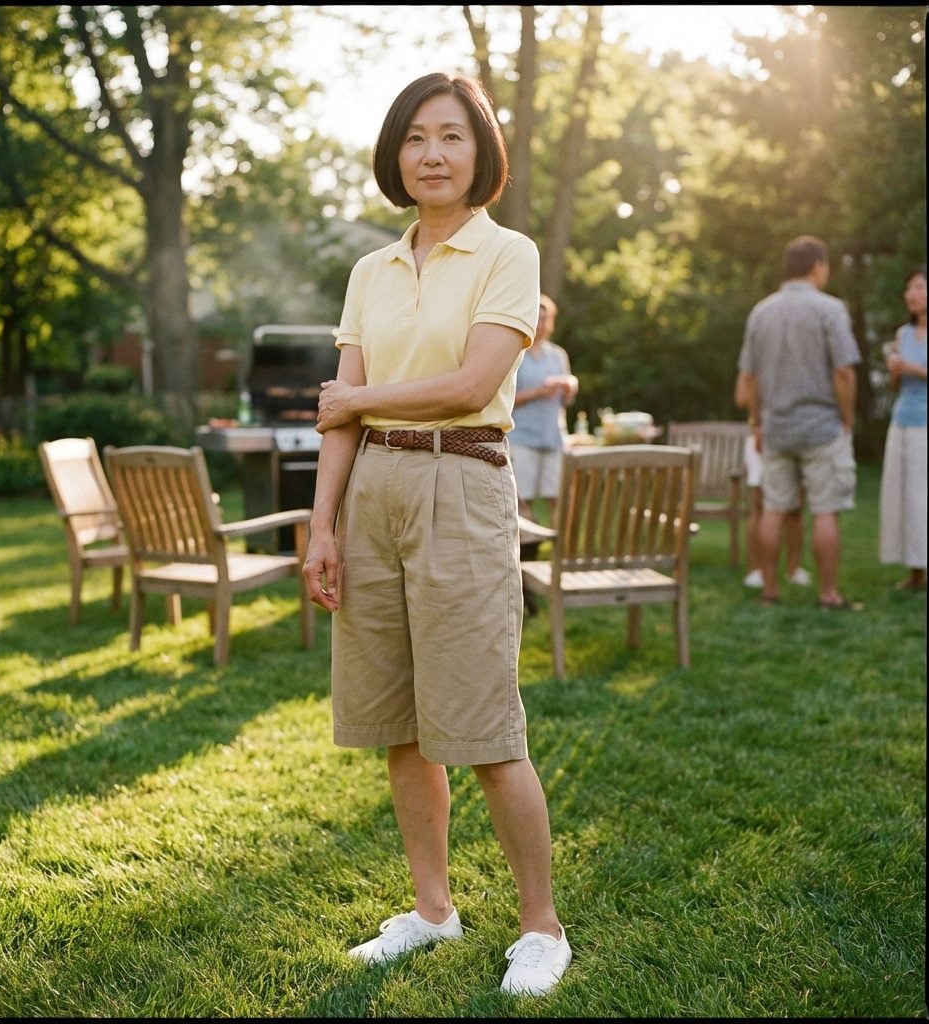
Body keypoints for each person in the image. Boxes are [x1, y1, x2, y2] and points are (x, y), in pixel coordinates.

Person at [301, 73, 571, 997]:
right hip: (371, 488)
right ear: (396, 154)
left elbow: (469, 383)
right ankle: (432, 910)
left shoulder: (508, 253)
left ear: (480, 150)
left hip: (463, 479)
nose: (433, 154)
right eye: (416, 137)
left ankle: (541, 928)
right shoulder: (370, 271)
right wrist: (322, 526)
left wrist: (358, 398)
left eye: (452, 135)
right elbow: (341, 419)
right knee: (400, 726)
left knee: (486, 729)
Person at [736, 235, 863, 609]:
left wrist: (757, 423)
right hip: (822, 427)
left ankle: (770, 590)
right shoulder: (830, 309)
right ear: (817, 267)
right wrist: (847, 418)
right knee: (825, 510)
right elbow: (843, 372)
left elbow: (749, 378)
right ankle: (828, 594)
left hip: (776, 428)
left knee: (773, 509)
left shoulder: (761, 312)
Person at [733, 373, 811, 590]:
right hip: (763, 436)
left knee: (796, 508)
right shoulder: (757, 360)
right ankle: (756, 570)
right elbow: (741, 397)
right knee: (760, 506)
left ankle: (793, 569)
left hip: (799, 437)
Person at [510, 294, 579, 523]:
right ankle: (527, 544)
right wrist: (538, 392)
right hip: (522, 438)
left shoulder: (557, 355)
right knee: (523, 501)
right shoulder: (515, 354)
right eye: (536, 318)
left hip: (553, 437)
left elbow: (566, 402)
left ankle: (561, 544)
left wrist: (569, 387)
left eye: (544, 318)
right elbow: (504, 400)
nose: (540, 323)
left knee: (558, 497)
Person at [879, 265, 927, 591]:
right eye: (909, 288)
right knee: (904, 497)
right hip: (902, 421)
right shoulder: (903, 334)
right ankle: (915, 573)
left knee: (923, 497)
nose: (912, 294)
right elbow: (896, 385)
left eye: (920, 287)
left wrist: (914, 368)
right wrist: (895, 371)